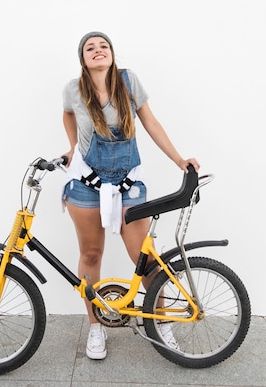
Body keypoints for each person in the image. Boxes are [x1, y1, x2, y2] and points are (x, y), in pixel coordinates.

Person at [62, 31, 200, 360]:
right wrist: (71, 148)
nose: (98, 51)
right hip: (85, 184)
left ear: (111, 54)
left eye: (103, 46)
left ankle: (162, 324)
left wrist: (180, 160)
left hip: (128, 183)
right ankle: (95, 326)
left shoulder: (129, 82)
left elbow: (150, 122)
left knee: (146, 259)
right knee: (91, 255)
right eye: (90, 48)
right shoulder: (72, 90)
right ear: (83, 59)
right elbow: (67, 114)